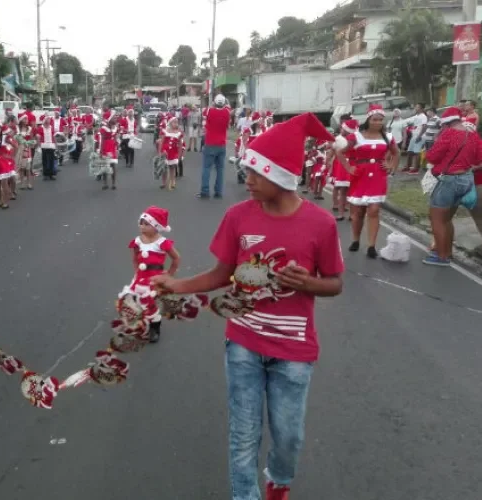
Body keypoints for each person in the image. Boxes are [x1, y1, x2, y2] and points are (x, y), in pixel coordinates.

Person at [151, 113, 342, 500]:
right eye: (247, 171)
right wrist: (177, 285)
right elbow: (221, 274)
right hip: (243, 343)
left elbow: (335, 283)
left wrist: (309, 284)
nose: (248, 181)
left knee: (289, 436)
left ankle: (278, 482)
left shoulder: (321, 224)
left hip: (294, 350)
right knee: (243, 435)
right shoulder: (238, 216)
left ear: (281, 176)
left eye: (256, 173)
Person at [335, 104, 400, 258]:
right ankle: (356, 240)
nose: (378, 122)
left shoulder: (388, 137)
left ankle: (371, 246)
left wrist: (391, 165)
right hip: (360, 175)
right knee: (358, 211)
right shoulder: (356, 136)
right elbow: (339, 151)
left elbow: (396, 153)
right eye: (375, 119)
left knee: (374, 210)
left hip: (378, 175)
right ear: (369, 119)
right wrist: (349, 168)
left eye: (380, 120)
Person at [423, 107, 482, 266]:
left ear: (446, 123)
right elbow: (479, 158)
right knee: (447, 219)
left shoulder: (449, 134)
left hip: (449, 179)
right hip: (466, 179)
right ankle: (448, 252)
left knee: (436, 218)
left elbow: (432, 156)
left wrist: (436, 141)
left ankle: (441, 256)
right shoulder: (472, 134)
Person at [124, 206, 181, 343]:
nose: (142, 226)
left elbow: (176, 258)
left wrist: (169, 274)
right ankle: (140, 321)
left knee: (151, 303)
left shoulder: (162, 243)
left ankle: (155, 327)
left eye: (146, 224)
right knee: (134, 298)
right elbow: (135, 256)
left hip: (155, 278)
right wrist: (136, 270)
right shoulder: (138, 240)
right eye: (141, 223)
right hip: (140, 277)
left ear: (156, 227)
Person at [198, 94, 231, 199]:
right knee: (220, 169)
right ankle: (218, 192)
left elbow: (203, 121)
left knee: (206, 168)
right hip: (221, 144)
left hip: (210, 142)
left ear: (215, 102)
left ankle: (205, 191)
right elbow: (227, 126)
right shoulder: (227, 112)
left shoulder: (209, 111)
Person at [158, 117, 185, 191]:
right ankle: (163, 183)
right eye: (174, 122)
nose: (176, 124)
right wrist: (160, 151)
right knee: (164, 168)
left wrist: (180, 155)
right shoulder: (165, 131)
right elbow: (161, 142)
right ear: (170, 123)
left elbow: (180, 144)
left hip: (173, 152)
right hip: (165, 151)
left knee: (172, 167)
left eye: (177, 122)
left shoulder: (179, 133)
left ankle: (173, 181)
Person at [403, 103, 428, 173]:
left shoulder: (423, 116)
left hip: (420, 136)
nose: (416, 108)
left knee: (417, 152)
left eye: (417, 107)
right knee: (409, 151)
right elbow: (408, 121)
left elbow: (425, 126)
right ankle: (408, 166)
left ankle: (416, 168)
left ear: (422, 109)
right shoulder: (416, 116)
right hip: (414, 136)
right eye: (416, 107)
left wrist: (419, 136)